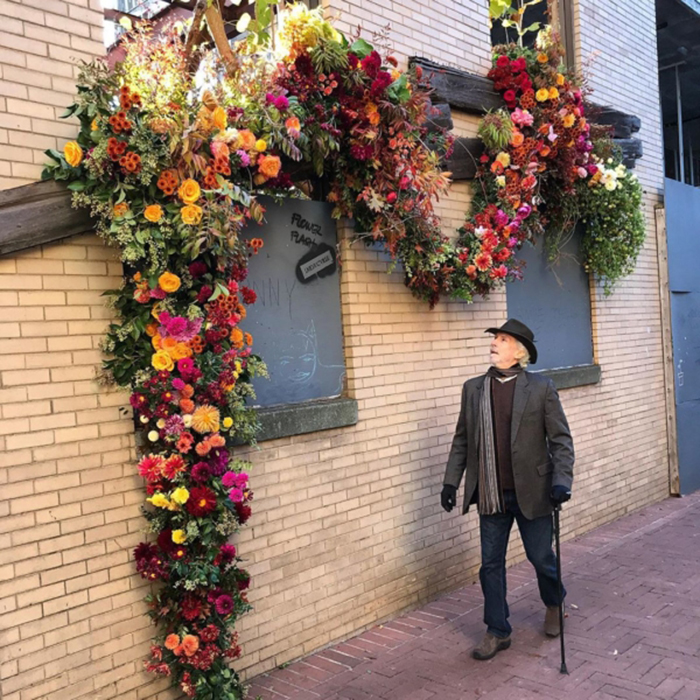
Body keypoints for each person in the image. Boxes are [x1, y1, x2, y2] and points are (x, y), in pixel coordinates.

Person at [441, 319, 574, 661]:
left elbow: (560, 440)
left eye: (502, 339)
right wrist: (451, 481)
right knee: (490, 565)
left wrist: (562, 481)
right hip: (490, 492)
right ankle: (498, 630)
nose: (495, 343)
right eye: (495, 339)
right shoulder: (473, 389)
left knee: (541, 558)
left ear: (519, 352)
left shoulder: (541, 388)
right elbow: (462, 440)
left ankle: (555, 601)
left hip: (533, 490)